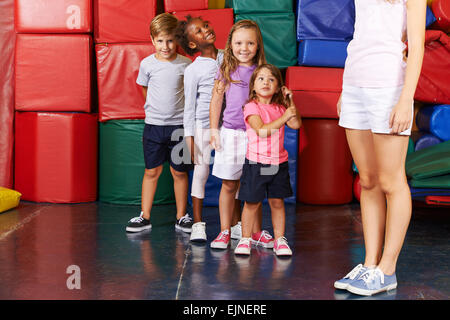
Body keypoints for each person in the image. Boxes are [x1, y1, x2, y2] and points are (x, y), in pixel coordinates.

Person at [334, 0, 426, 296]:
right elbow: (363, 34)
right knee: (369, 180)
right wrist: (345, 90)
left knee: (391, 181)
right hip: (354, 85)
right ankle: (370, 264)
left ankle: (387, 269)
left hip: (389, 88)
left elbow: (418, 47)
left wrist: (405, 100)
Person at [125, 13, 194, 234]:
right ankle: (144, 216)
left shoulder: (186, 64)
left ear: (178, 40)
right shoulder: (147, 64)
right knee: (151, 171)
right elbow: (145, 89)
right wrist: (156, 111)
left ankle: (181, 216)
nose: (166, 46)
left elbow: (190, 93)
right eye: (161, 40)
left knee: (179, 172)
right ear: (153, 40)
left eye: (171, 40)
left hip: (179, 128)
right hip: (154, 127)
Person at [209, 20, 273, 249]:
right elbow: (216, 99)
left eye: (249, 43)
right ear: (230, 44)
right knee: (229, 184)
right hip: (230, 134)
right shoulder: (226, 68)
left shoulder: (262, 72)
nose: (244, 48)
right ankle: (225, 231)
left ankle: (255, 231)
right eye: (238, 43)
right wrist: (214, 130)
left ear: (258, 46)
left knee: (254, 186)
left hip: (254, 135)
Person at [234, 64, 302, 257]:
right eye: (261, 79)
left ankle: (280, 239)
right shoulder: (251, 107)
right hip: (256, 163)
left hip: (277, 163)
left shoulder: (281, 108)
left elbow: (296, 124)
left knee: (277, 202)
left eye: (271, 79)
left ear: (278, 86)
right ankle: (246, 238)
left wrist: (290, 102)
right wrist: (285, 117)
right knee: (252, 202)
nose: (266, 82)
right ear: (253, 85)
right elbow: (262, 130)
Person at [175, 15, 224, 242]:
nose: (206, 30)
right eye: (199, 31)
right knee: (201, 173)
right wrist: (189, 137)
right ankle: (197, 223)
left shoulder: (227, 56)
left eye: (206, 25)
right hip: (203, 127)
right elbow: (189, 106)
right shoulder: (193, 69)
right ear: (193, 44)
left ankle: (231, 225)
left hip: (227, 126)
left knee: (231, 176)